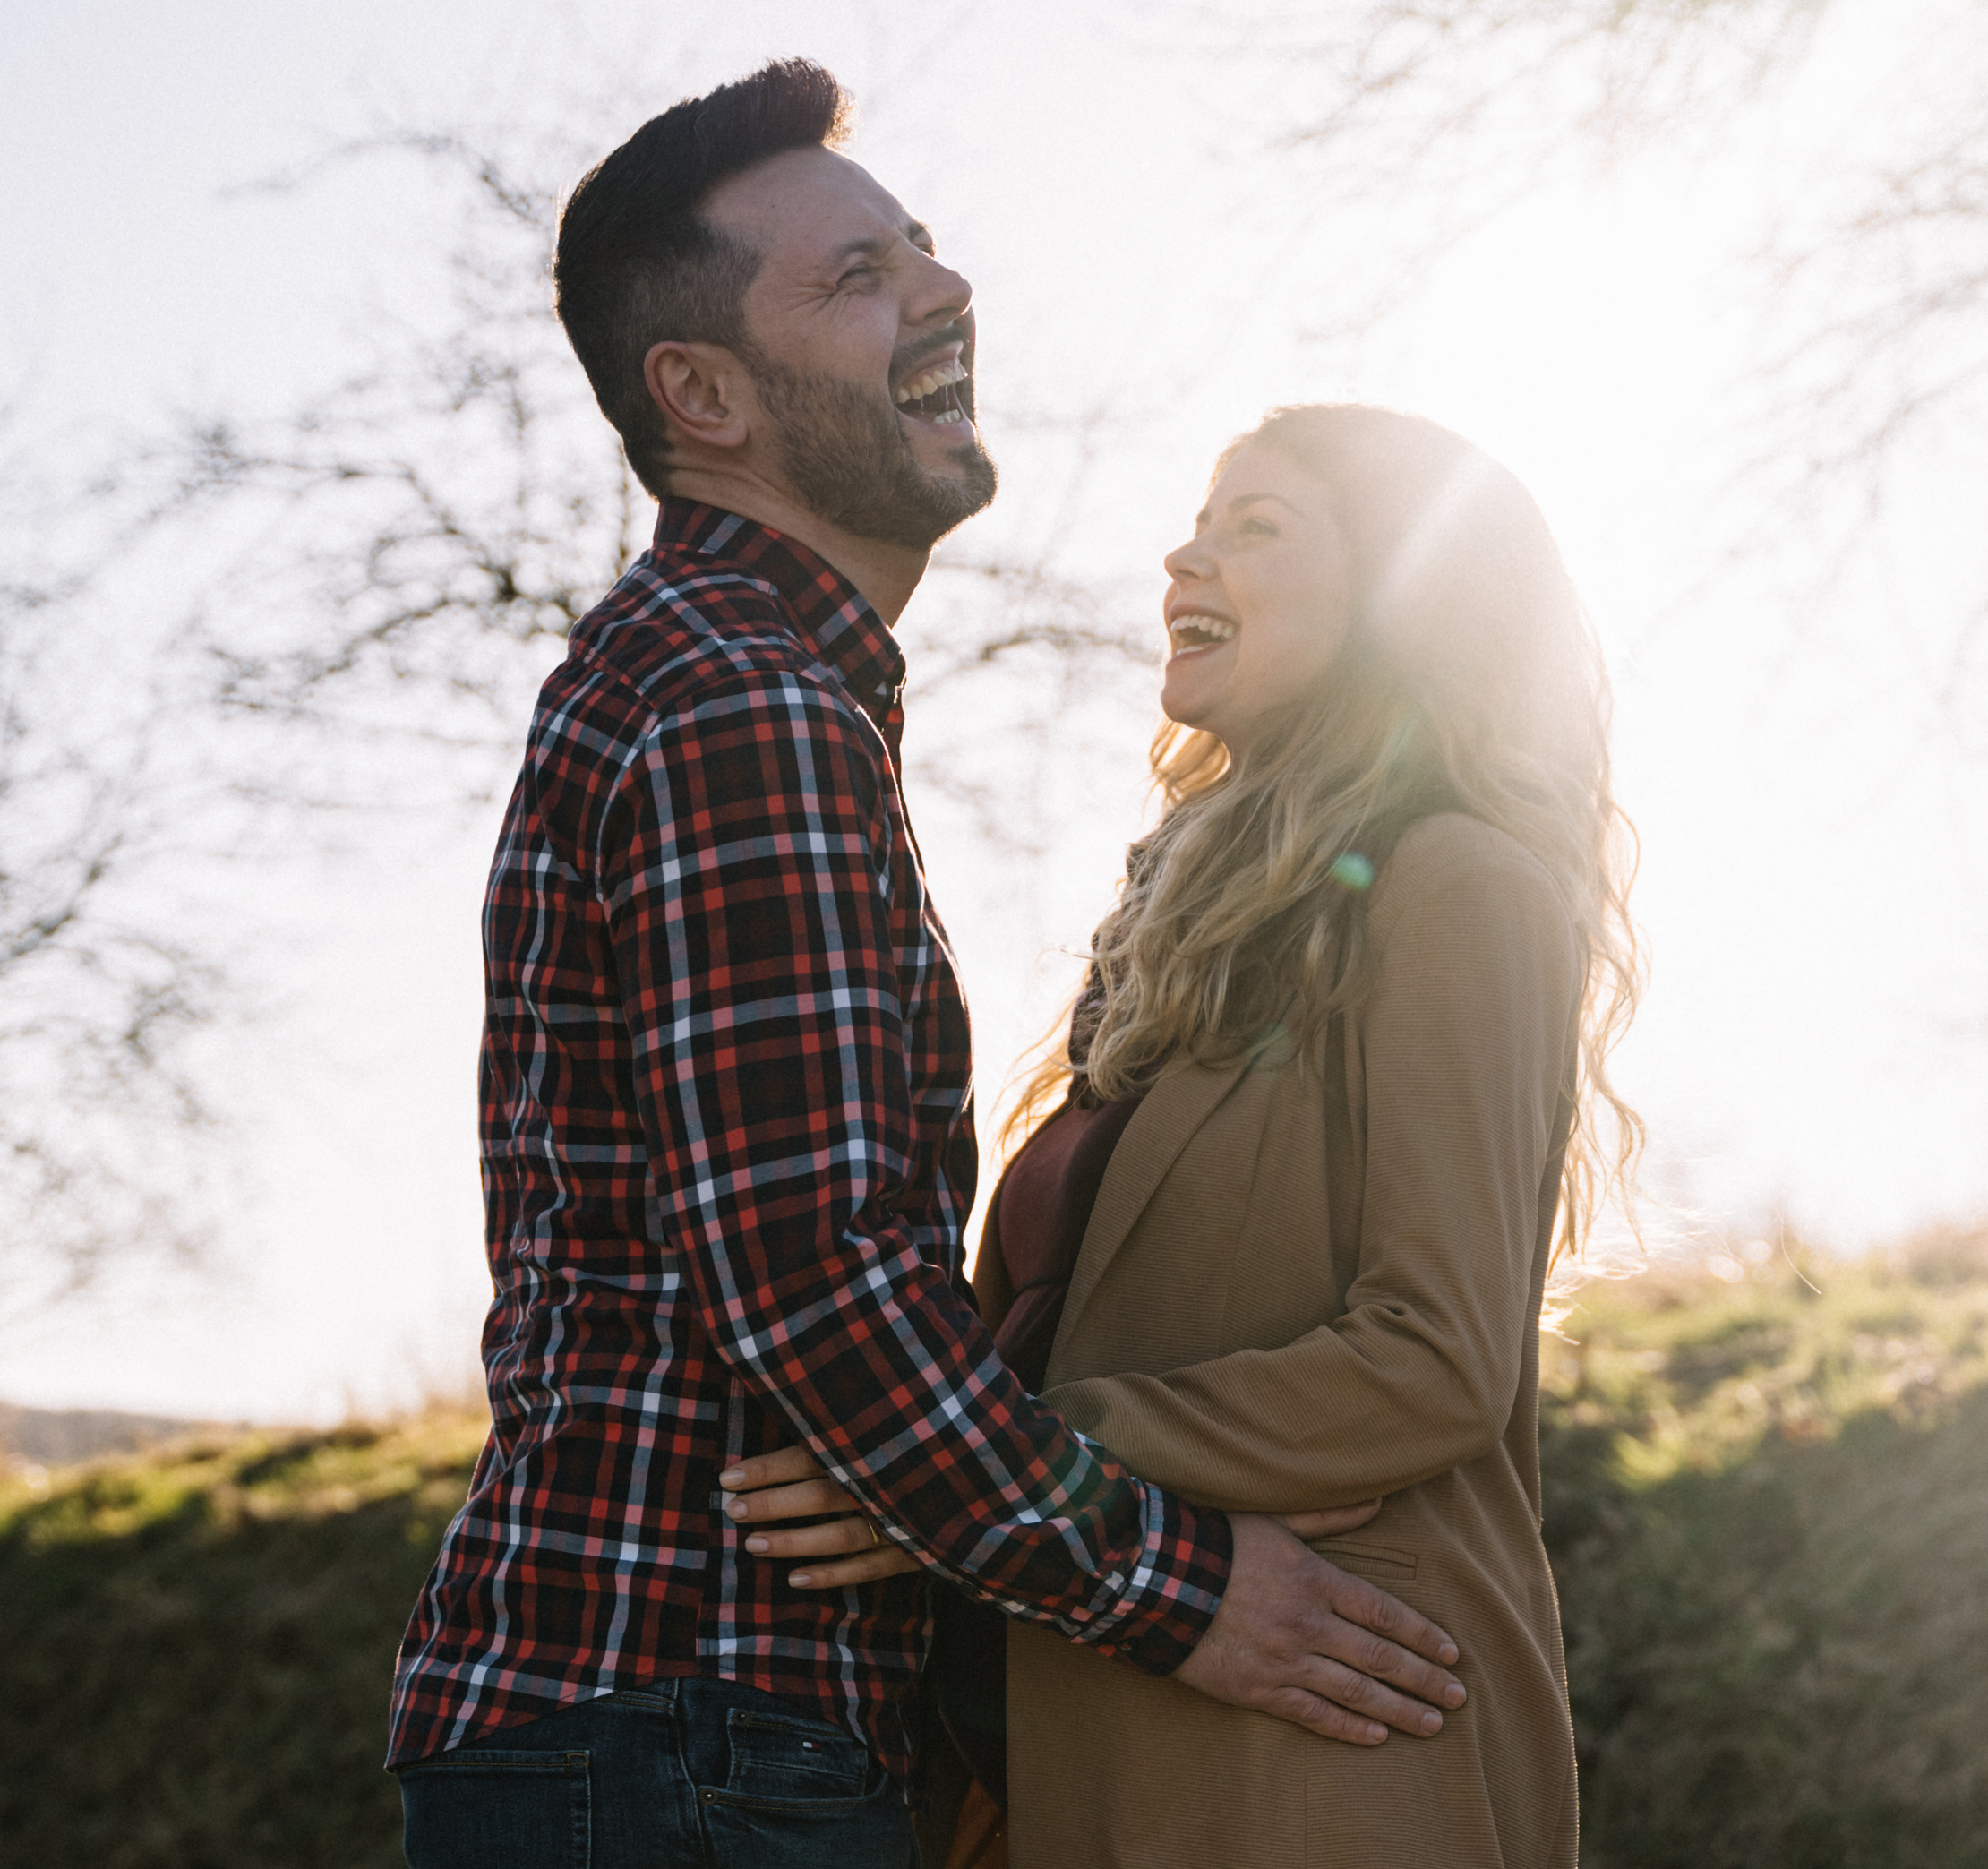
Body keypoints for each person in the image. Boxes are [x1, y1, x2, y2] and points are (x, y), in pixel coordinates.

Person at [384, 68, 1468, 1869]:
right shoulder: (739, 694)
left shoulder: (722, 681)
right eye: (858, 277)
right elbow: (815, 1280)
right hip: (687, 1733)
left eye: (926, 253)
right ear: (705, 397)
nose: (942, 296)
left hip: (653, 1734)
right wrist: (1183, 1583)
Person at [726, 403, 1642, 1867]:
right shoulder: (1177, 933)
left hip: (1329, 1752)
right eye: (1199, 521)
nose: (1183, 556)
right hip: (1085, 1730)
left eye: (1255, 527)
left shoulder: (1460, 886)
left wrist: (977, 1475)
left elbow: (1437, 1358)